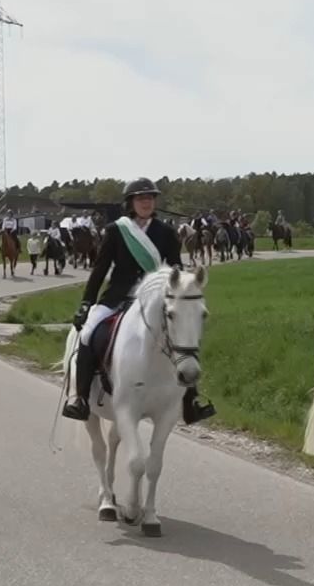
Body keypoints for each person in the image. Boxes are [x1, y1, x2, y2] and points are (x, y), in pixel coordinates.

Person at [61, 177, 214, 424]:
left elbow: (175, 266)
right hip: (118, 296)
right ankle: (80, 398)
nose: (146, 203)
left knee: (184, 334)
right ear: (131, 202)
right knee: (88, 333)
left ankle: (191, 401)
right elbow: (100, 270)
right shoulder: (116, 230)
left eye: (150, 198)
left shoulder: (165, 232)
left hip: (154, 298)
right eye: (141, 198)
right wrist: (86, 303)